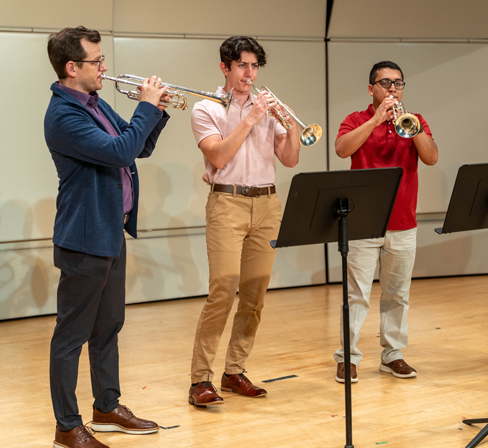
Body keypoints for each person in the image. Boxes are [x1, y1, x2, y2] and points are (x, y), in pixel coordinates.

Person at [44, 26, 170, 448]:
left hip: (109, 233)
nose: (104, 67)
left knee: (108, 326)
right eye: (96, 61)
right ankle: (67, 426)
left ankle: (107, 406)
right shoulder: (64, 114)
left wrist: (157, 111)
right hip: (83, 239)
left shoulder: (94, 103)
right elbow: (118, 152)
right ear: (71, 67)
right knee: (71, 336)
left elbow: (139, 148)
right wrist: (146, 109)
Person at [188, 36, 301, 405]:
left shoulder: (269, 107)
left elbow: (290, 159)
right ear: (225, 67)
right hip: (228, 202)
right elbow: (219, 157)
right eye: (242, 66)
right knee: (223, 288)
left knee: (254, 295)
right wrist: (251, 118)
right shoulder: (207, 108)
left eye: (254, 66)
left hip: (267, 204)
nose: (249, 74)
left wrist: (292, 125)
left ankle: (234, 371)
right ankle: (200, 379)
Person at [333, 61, 438, 383]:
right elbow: (342, 149)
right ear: (371, 89)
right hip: (364, 222)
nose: (393, 89)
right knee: (356, 295)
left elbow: (431, 157)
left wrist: (413, 128)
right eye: (385, 83)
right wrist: (377, 119)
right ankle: (347, 357)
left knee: (397, 294)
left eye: (398, 83)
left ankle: (392, 355)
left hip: (403, 222)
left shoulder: (415, 121)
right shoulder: (355, 119)